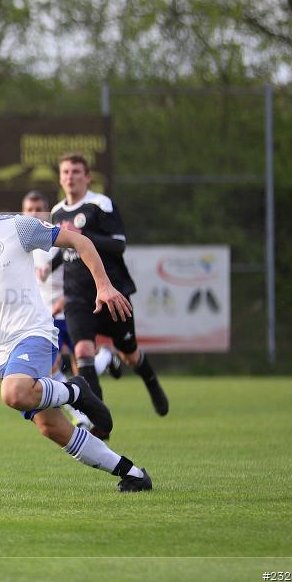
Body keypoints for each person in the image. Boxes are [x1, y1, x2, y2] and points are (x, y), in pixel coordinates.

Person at [0, 169, 152, 492]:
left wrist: (104, 285)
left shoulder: (16, 227)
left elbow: (79, 241)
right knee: (52, 428)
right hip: (2, 351)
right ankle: (133, 474)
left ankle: (76, 390)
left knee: (13, 394)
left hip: (34, 333)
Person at [49, 153, 168, 416]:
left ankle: (151, 381)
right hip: (77, 296)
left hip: (110, 292)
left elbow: (118, 244)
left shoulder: (101, 205)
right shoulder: (57, 212)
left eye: (76, 171)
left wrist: (83, 236)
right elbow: (67, 250)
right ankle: (97, 418)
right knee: (82, 352)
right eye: (66, 172)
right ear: (60, 177)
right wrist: (50, 265)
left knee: (130, 354)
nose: (70, 176)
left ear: (87, 177)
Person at [22, 191, 122, 430]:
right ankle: (83, 414)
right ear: (23, 212)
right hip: (45, 315)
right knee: (54, 367)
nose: (34, 213)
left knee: (79, 366)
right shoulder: (23, 243)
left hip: (69, 309)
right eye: (29, 209)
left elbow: (78, 270)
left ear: (48, 212)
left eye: (39, 209)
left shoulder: (56, 240)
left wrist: (67, 299)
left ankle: (105, 358)